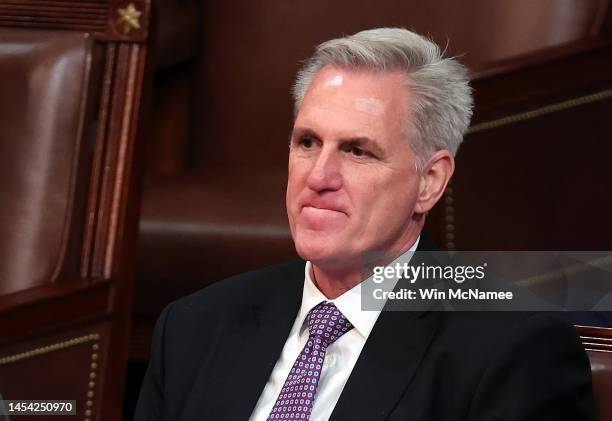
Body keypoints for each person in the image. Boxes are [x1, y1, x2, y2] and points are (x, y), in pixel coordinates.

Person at [135, 28, 596, 420]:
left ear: (429, 183)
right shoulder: (194, 327)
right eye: (308, 142)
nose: (318, 177)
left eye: (358, 151)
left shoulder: (514, 348)